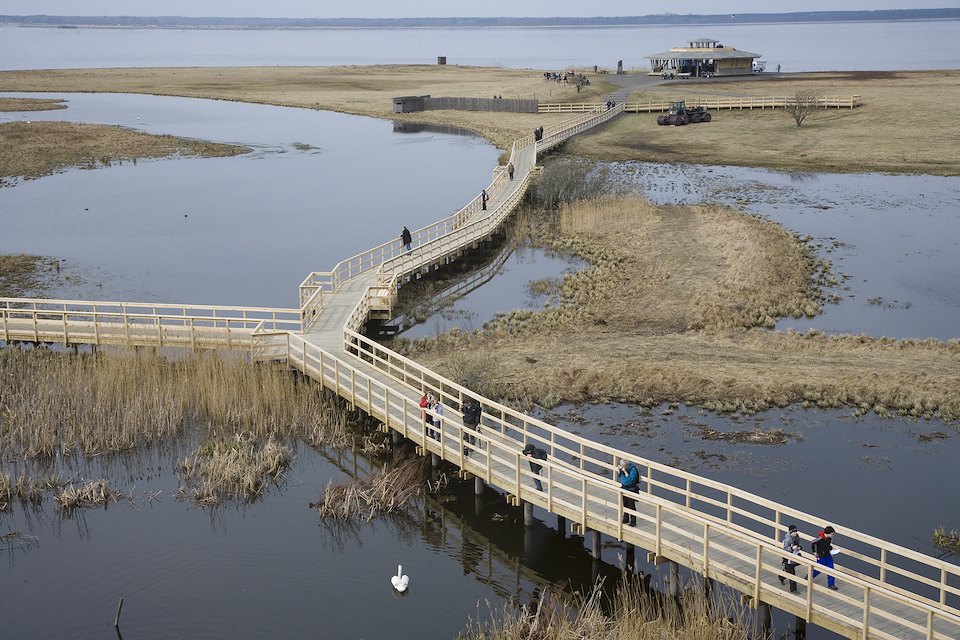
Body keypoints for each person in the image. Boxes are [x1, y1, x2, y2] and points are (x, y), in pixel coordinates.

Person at [810, 525, 838, 590]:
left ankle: (831, 584)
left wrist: (832, 548)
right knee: (817, 570)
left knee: (831, 570)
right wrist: (814, 552)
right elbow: (812, 543)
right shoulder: (820, 539)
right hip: (821, 557)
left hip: (828, 555)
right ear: (828, 533)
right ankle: (809, 577)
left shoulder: (829, 538)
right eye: (832, 534)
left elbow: (827, 545)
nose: (832, 535)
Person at [617, 458, 640, 526]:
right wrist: (619, 471)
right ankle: (626, 518)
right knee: (625, 504)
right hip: (624, 488)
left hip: (631, 489)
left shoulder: (633, 470)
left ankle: (633, 521)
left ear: (626, 466)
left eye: (623, 466)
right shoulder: (624, 469)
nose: (622, 467)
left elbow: (630, 480)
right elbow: (622, 478)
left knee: (631, 505)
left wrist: (625, 471)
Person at [779, 524, 802, 592]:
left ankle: (782, 576)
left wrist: (799, 547)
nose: (795, 533)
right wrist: (792, 548)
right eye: (793, 532)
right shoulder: (788, 539)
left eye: (796, 531)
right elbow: (785, 548)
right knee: (792, 572)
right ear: (790, 532)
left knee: (790, 569)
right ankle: (793, 589)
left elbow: (800, 543)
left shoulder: (797, 537)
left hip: (794, 554)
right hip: (787, 556)